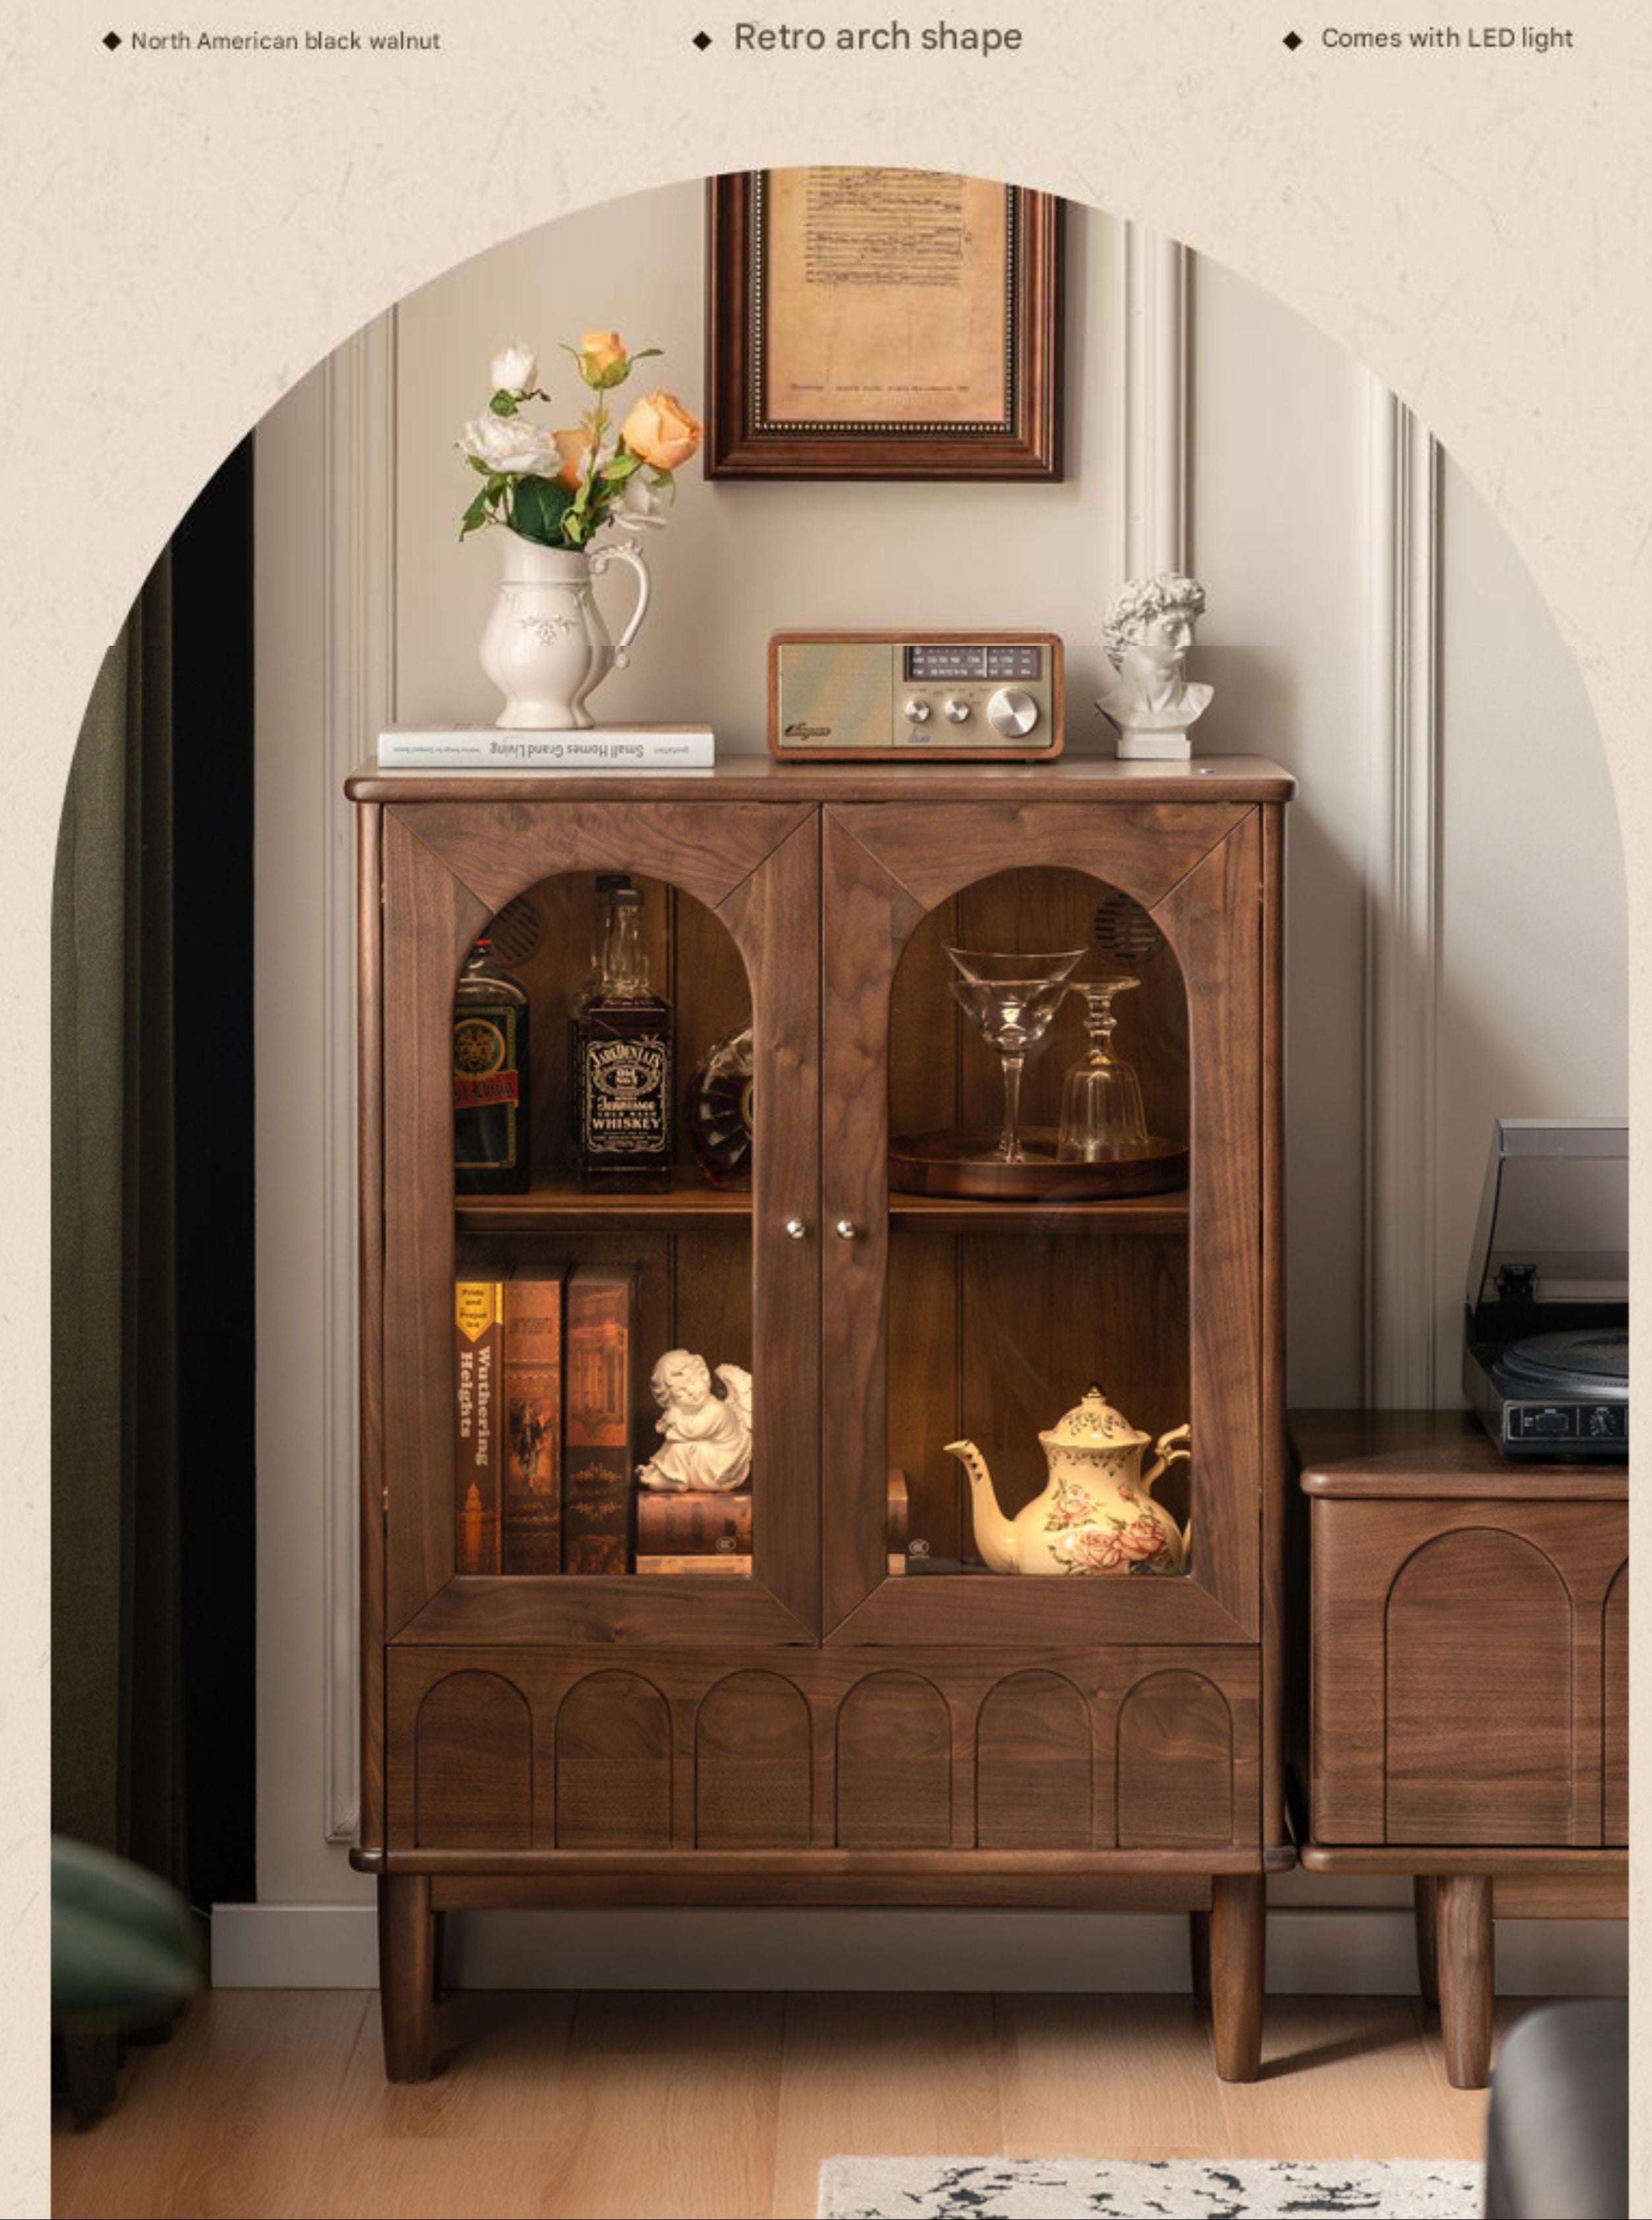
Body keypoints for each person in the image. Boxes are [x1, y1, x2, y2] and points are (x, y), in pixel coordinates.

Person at [1096, 572, 1213, 758]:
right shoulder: (1113, 707)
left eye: (1190, 627)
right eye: (1173, 628)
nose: (1187, 640)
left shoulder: (1198, 700)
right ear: (1132, 633)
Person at [635, 1350, 753, 1493]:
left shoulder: (717, 1410)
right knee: (675, 1445)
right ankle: (659, 1470)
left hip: (721, 1468)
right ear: (671, 1402)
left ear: (704, 1374)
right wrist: (667, 1423)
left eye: (692, 1382)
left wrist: (675, 1421)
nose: (691, 1391)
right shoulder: (691, 1412)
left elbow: (693, 1431)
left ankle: (675, 1480)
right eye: (681, 1393)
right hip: (711, 1460)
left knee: (683, 1448)